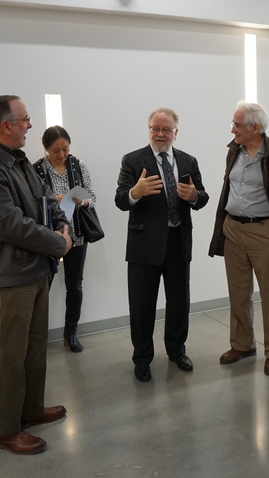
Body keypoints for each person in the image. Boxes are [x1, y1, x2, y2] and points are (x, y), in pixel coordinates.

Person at [0, 95, 73, 455]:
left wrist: (62, 224)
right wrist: (58, 244)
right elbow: (10, 225)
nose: (30, 125)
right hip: (10, 274)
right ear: (6, 125)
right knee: (11, 354)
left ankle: (30, 409)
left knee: (35, 346)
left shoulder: (16, 159)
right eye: (25, 119)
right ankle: (5, 429)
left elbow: (47, 199)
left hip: (35, 267)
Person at [115, 108, 209, 383]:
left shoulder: (188, 161)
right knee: (142, 305)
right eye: (155, 128)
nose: (160, 134)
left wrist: (194, 195)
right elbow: (120, 200)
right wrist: (136, 192)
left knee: (179, 302)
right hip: (144, 245)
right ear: (149, 130)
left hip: (178, 242)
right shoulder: (133, 160)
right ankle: (142, 358)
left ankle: (177, 351)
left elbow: (202, 197)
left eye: (166, 129)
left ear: (175, 133)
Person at [208, 101, 269, 376]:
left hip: (265, 233)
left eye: (237, 125)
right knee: (238, 293)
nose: (232, 129)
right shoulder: (234, 150)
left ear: (256, 127)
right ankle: (242, 345)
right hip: (233, 230)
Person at [33, 125, 97, 352]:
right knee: (42, 287)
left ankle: (71, 333)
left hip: (76, 233)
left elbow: (92, 196)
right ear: (45, 148)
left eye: (65, 149)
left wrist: (83, 201)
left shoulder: (78, 165)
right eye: (55, 151)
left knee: (75, 286)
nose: (61, 155)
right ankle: (37, 337)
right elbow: (32, 201)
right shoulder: (36, 170)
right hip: (49, 236)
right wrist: (55, 199)